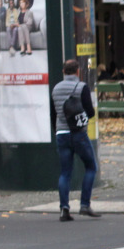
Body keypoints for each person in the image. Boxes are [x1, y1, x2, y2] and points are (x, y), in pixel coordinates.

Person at [51, 59, 100, 221]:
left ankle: (64, 208)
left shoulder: (56, 88)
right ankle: (84, 204)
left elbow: (53, 114)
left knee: (65, 172)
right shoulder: (81, 87)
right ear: (77, 71)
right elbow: (90, 112)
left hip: (61, 133)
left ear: (63, 71)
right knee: (91, 166)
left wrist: (57, 130)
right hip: (78, 133)